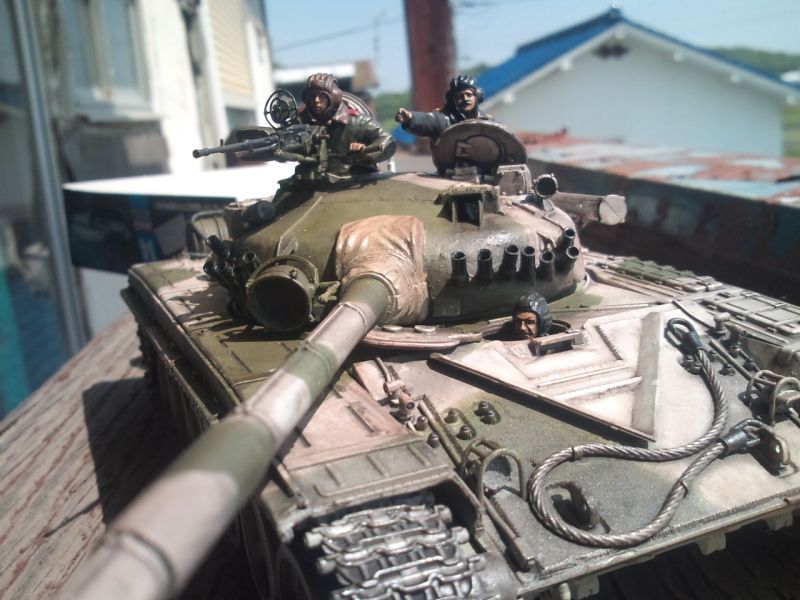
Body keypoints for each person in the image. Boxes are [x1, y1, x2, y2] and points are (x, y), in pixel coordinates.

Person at [298, 73, 395, 178]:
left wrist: (366, 153)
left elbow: (388, 140)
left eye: (322, 96)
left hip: (351, 179)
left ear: (332, 97)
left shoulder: (356, 121)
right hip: (309, 181)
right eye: (313, 96)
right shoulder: (301, 122)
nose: (316, 100)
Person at [394, 75, 492, 143]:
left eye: (469, 95)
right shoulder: (443, 120)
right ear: (453, 100)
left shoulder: (486, 121)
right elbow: (428, 120)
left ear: (477, 97)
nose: (465, 99)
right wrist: (410, 118)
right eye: (460, 96)